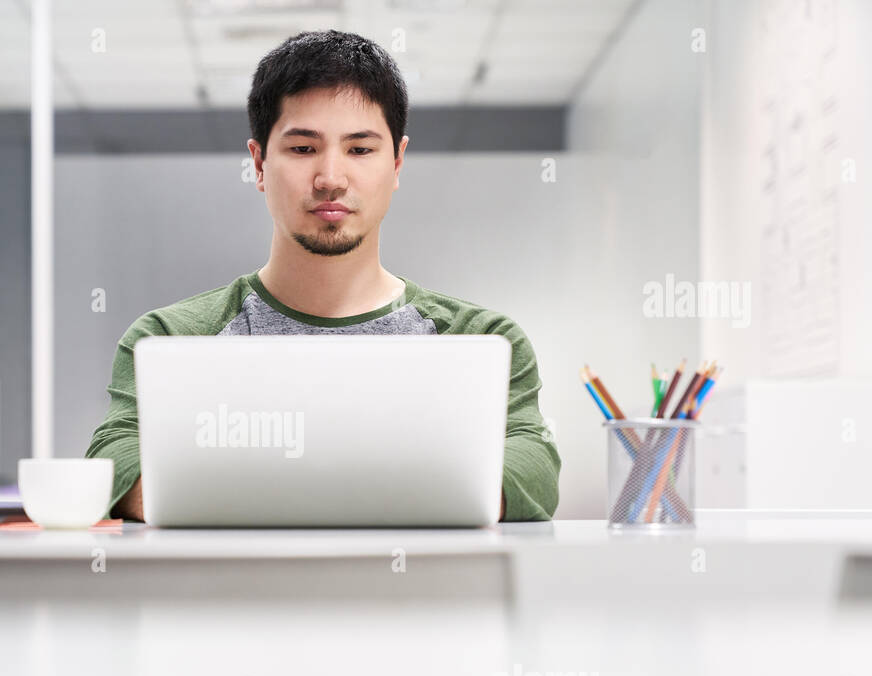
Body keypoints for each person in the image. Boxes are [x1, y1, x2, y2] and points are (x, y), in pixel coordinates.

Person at [86, 29, 560, 522]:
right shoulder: (169, 340)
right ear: (258, 164)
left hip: (416, 597)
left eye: (360, 150)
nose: (331, 178)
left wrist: (261, 489)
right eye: (304, 149)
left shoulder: (480, 340)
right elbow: (112, 462)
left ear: (397, 163)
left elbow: (534, 473)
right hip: (229, 597)